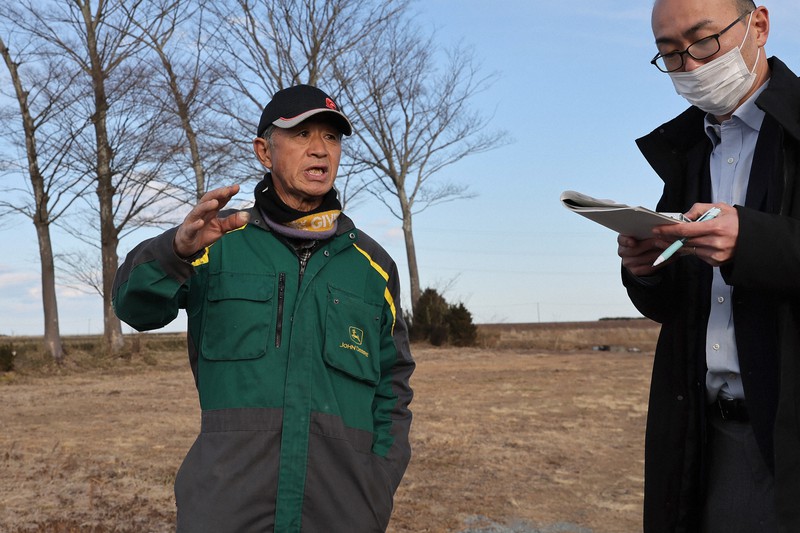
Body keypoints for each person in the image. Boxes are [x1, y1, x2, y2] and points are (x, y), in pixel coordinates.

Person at [113, 84, 415, 532]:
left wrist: (376, 486)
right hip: (226, 510)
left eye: (331, 138)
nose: (319, 150)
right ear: (264, 151)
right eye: (301, 135)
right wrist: (174, 251)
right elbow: (133, 307)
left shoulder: (372, 267)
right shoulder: (215, 245)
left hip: (340, 514)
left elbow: (393, 389)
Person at [617, 0, 800, 531]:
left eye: (703, 41)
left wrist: (753, 241)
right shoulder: (687, 150)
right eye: (670, 54)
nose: (692, 66)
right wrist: (648, 268)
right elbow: (684, 306)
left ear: (758, 25)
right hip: (707, 437)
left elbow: (758, 249)